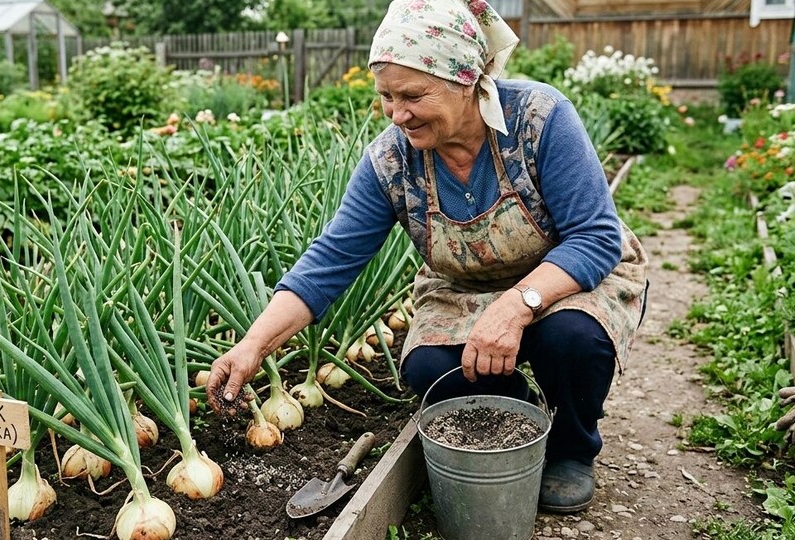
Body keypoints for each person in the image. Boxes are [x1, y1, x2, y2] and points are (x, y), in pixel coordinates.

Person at [206, 0, 647, 515]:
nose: (398, 114)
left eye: (413, 95)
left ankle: (573, 448)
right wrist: (253, 346)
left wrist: (515, 305)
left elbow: (594, 238)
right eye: (386, 97)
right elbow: (330, 261)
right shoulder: (391, 161)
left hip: (567, 278)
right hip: (462, 292)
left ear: (468, 80)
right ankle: (524, 416)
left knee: (571, 339)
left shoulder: (538, 119)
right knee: (431, 369)